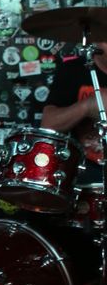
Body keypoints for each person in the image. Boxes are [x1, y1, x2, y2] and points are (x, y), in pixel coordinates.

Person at [41, 43, 107, 181]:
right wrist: (86, 106)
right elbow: (48, 124)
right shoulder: (73, 70)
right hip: (84, 170)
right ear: (96, 42)